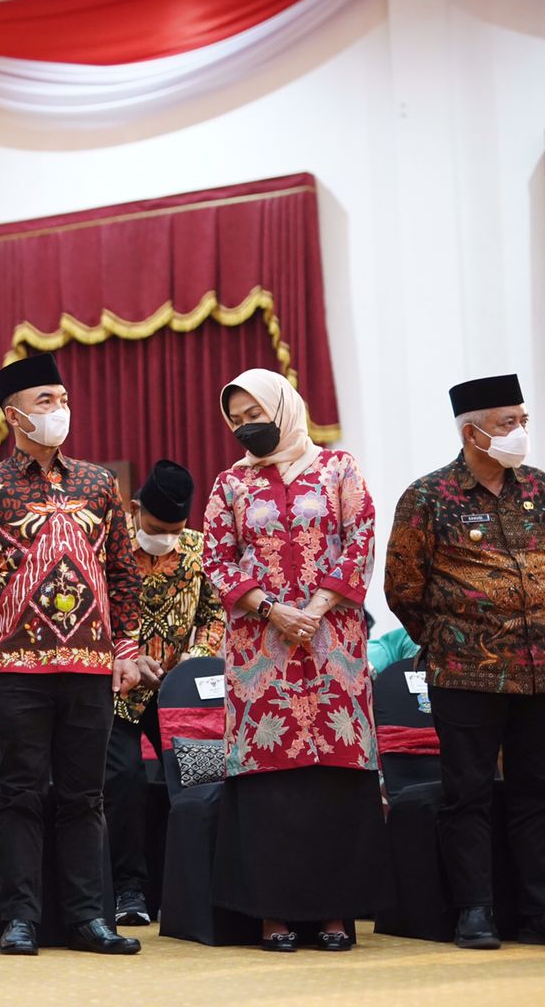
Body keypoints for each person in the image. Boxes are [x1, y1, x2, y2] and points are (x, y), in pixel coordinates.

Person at [0, 353, 143, 958]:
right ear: (14, 416)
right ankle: (20, 919)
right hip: (16, 670)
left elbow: (122, 572)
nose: (60, 410)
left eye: (63, 399)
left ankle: (87, 919)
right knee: (21, 791)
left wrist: (127, 647)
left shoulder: (98, 483)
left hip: (90, 666)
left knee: (86, 796)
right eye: (45, 401)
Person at [199, 368, 381, 953]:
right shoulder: (230, 484)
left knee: (332, 773)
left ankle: (333, 912)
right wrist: (273, 609)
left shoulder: (339, 469)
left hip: (334, 648)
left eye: (256, 413)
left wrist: (317, 609)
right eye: (237, 419)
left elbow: (361, 539)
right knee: (269, 777)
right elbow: (216, 559)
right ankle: (271, 913)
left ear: (283, 406)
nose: (246, 426)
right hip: (261, 652)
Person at [385, 373, 545, 949]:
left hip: (540, 672)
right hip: (466, 673)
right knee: (468, 794)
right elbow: (402, 587)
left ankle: (538, 910)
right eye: (508, 422)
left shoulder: (540, 489)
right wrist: (448, 638)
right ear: (472, 433)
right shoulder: (428, 497)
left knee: (536, 793)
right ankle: (474, 911)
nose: (520, 430)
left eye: (523, 420)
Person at [105, 460, 225, 926]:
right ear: (135, 509)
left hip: (177, 692)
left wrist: (197, 657)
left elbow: (214, 614)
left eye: (175, 530)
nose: (168, 539)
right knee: (124, 781)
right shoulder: (107, 547)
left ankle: (202, 884)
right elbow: (90, 614)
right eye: (157, 529)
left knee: (200, 776)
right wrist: (128, 656)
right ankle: (129, 890)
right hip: (118, 688)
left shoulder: (198, 549)